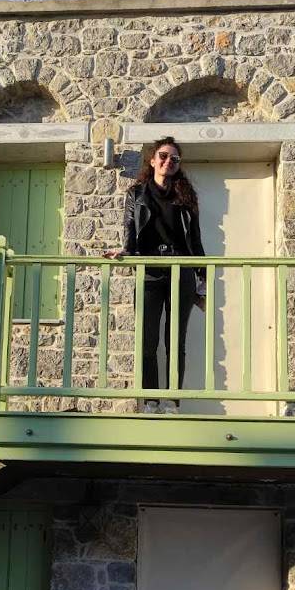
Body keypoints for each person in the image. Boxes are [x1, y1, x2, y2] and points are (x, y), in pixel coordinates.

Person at [103, 137, 206, 413]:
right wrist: (126, 251)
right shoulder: (137, 193)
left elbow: (195, 240)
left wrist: (202, 276)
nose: (168, 161)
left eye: (174, 159)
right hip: (149, 272)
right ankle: (150, 401)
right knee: (148, 341)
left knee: (175, 341)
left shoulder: (186, 196)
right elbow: (129, 228)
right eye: (163, 156)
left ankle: (172, 401)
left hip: (181, 272)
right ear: (152, 160)